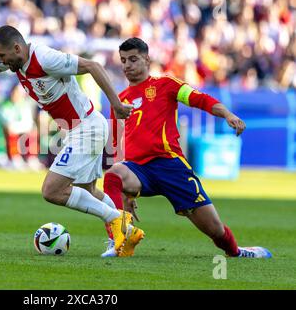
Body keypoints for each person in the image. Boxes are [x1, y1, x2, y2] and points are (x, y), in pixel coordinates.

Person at [0, 25, 141, 255]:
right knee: (88, 191)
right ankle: (123, 237)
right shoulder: (15, 59)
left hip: (87, 128)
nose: (0, 61)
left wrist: (117, 105)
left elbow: (93, 65)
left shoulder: (45, 58)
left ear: (17, 48)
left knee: (52, 190)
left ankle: (117, 220)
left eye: (2, 56)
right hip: (79, 129)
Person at [102, 37, 272, 258]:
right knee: (112, 176)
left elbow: (200, 99)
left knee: (215, 230)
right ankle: (117, 240)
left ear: (147, 59)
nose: (127, 66)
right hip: (138, 169)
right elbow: (117, 145)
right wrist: (128, 194)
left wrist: (227, 115)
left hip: (171, 166)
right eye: (123, 60)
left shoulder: (166, 85)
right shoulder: (120, 100)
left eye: (133, 59)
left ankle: (237, 252)